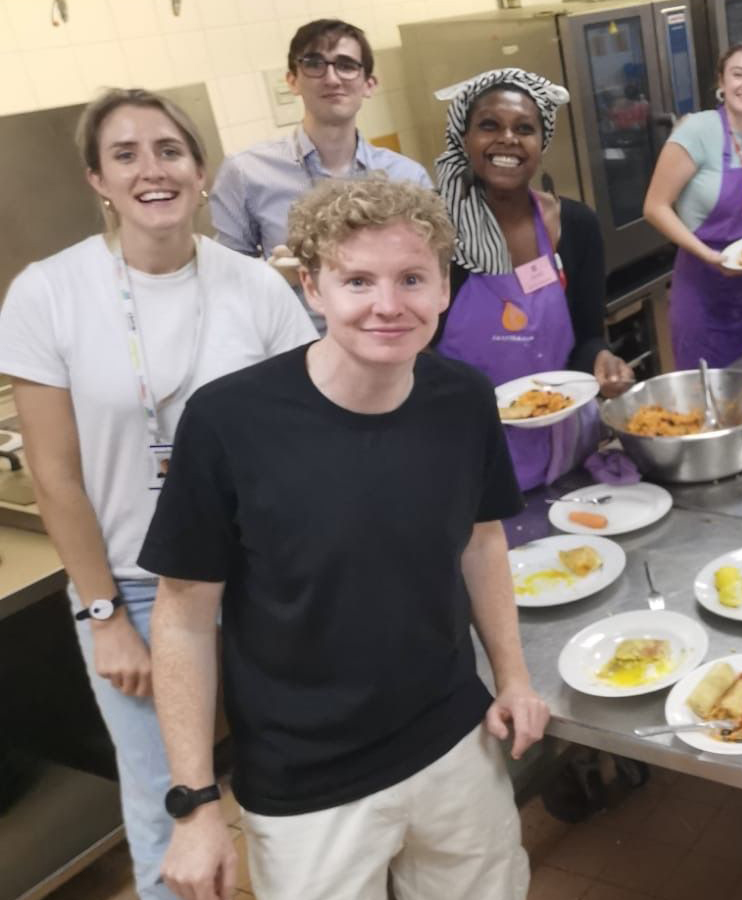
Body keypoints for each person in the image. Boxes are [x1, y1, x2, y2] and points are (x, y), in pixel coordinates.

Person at [144, 178, 546, 900]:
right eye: (357, 280)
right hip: (306, 781)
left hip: (452, 742)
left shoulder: (463, 399)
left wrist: (512, 676)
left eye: (412, 279)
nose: (387, 305)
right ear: (313, 287)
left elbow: (481, 541)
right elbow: (182, 617)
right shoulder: (229, 424)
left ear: (444, 288)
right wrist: (195, 802)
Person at [0, 89, 315, 900]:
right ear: (97, 180)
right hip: (134, 591)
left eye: (169, 150)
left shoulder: (255, 288)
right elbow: (55, 474)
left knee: (292, 779)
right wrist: (102, 615)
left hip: (257, 581)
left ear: (201, 171)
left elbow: (301, 444)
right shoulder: (48, 293)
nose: (152, 169)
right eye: (126, 154)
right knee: (168, 804)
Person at [432, 67, 634, 491]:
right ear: (464, 139)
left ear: (540, 145)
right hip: (470, 457)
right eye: (489, 126)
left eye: (524, 129)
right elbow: (416, 356)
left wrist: (601, 361)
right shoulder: (432, 234)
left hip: (568, 449)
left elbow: (587, 337)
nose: (507, 139)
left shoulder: (574, 225)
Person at [208, 18, 432, 330]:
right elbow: (222, 281)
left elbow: (426, 273)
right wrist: (272, 277)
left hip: (390, 341)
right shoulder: (246, 172)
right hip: (296, 352)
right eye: (315, 64)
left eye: (346, 65)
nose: (332, 78)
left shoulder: (406, 177)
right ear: (292, 80)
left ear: (369, 84)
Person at [644, 42, 742, 369]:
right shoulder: (698, 129)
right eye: (738, 74)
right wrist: (708, 255)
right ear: (721, 83)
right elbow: (655, 206)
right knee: (713, 409)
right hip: (705, 299)